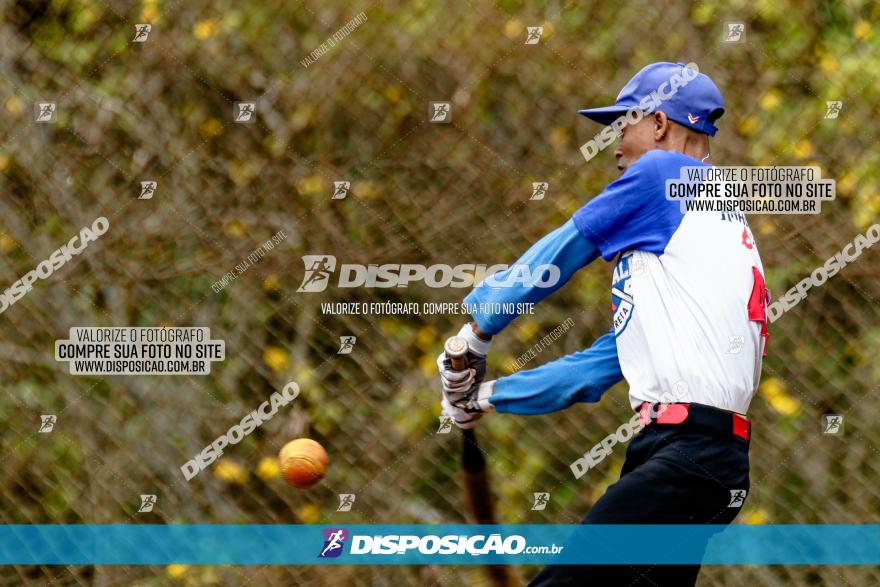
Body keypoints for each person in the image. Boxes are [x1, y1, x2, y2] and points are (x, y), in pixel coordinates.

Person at [436, 62, 769, 586]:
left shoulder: (666, 176)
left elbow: (559, 255)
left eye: (624, 124)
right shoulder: (708, 226)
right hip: (701, 457)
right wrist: (487, 395)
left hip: (686, 456)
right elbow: (599, 366)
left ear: (660, 124)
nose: (615, 146)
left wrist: (476, 332)